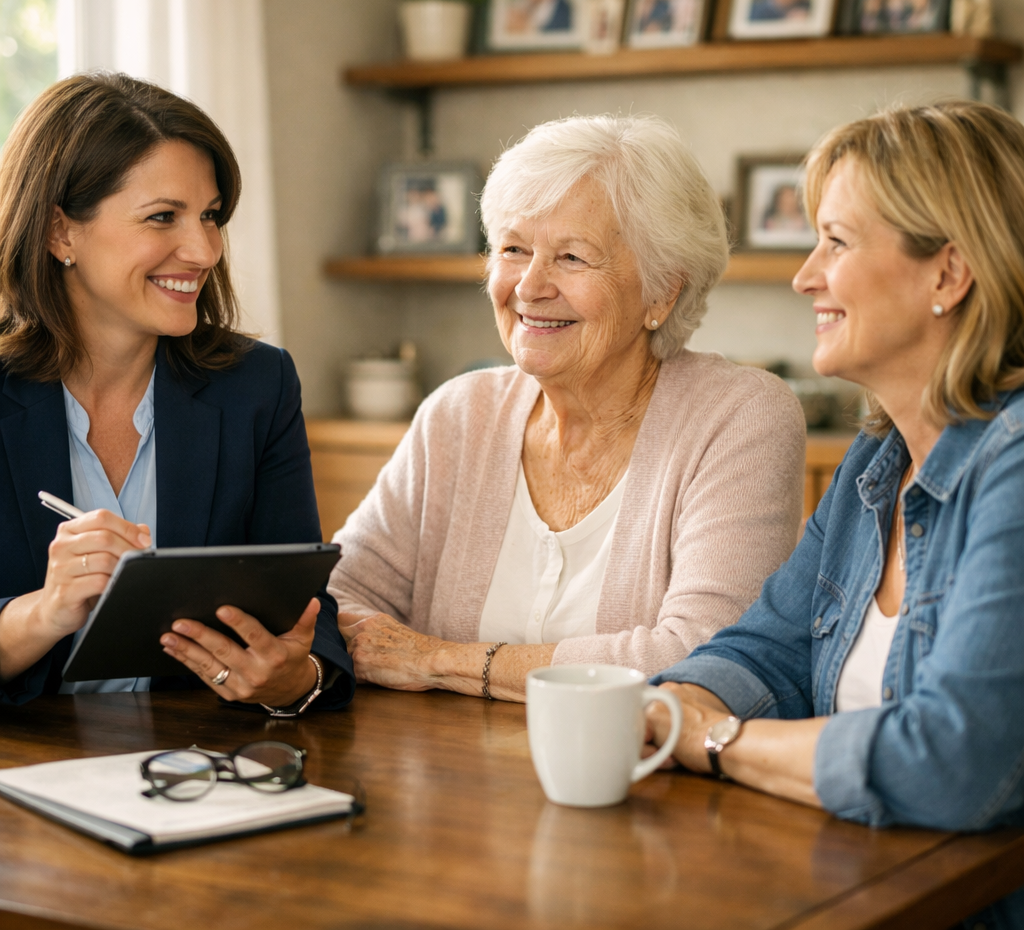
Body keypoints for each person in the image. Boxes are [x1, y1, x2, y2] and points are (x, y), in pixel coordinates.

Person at [645, 101, 1024, 930]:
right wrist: (670, 705)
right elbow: (766, 651)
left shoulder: (1017, 472)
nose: (804, 274)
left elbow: (952, 763)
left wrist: (714, 743)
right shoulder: (876, 465)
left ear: (947, 274)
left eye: (837, 242)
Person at [330, 114, 806, 702]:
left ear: (663, 290)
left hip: (644, 781)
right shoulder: (460, 414)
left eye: (572, 258)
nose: (529, 287)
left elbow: (705, 654)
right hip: (443, 774)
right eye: (513, 249)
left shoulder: (739, 417)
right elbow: (336, 596)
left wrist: (439, 661)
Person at [0, 72, 354, 711]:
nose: (205, 249)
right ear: (60, 233)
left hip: (191, 766)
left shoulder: (257, 386)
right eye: (163, 217)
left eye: (211, 215)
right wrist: (45, 612)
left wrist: (293, 681)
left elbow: (308, 617)